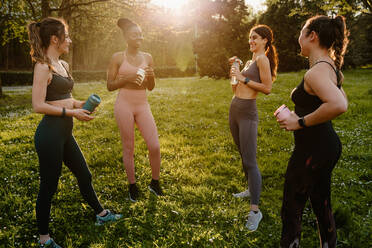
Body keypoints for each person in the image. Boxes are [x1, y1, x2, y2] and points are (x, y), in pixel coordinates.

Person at [28, 17, 122, 248]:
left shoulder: (63, 65)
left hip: (64, 135)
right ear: (55, 39)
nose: (69, 40)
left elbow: (65, 99)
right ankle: (44, 240)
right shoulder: (43, 66)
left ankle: (101, 215)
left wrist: (81, 104)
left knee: (84, 174)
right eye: (66, 36)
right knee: (48, 186)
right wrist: (72, 114)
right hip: (49, 136)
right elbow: (38, 105)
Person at [277, 15, 349, 248]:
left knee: (292, 207)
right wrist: (300, 117)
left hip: (312, 150)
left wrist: (300, 123)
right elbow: (336, 100)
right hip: (326, 147)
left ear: (312, 36)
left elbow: (339, 105)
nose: (298, 38)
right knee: (321, 202)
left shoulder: (317, 72)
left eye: (301, 32)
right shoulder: (332, 68)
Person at [107, 18, 163, 202]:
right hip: (124, 104)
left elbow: (151, 87)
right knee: (129, 147)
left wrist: (152, 77)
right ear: (126, 37)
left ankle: (155, 183)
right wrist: (127, 78)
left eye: (140, 34)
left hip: (142, 104)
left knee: (154, 145)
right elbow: (110, 85)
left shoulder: (148, 57)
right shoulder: (117, 57)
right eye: (134, 35)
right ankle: (132, 185)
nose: (139, 37)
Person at [229, 24, 278, 231]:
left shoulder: (262, 60)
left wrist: (244, 78)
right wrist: (235, 73)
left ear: (265, 40)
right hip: (234, 109)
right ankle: (250, 189)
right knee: (243, 154)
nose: (251, 41)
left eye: (255, 37)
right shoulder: (250, 60)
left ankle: (255, 212)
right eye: (250, 37)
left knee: (250, 161)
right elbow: (235, 86)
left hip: (248, 112)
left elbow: (267, 89)